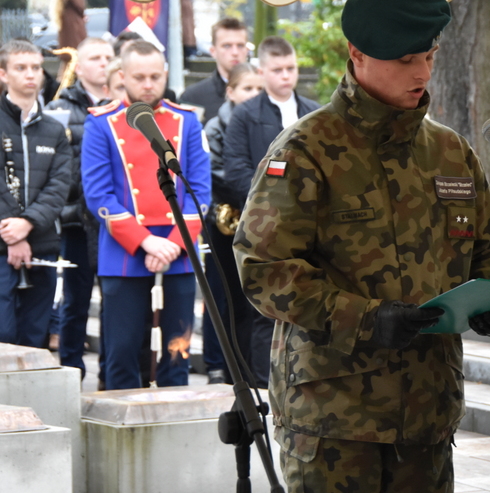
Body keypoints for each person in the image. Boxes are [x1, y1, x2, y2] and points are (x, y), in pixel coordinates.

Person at [233, 0, 490, 493]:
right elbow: (264, 268)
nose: (422, 71)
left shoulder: (449, 152)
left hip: (425, 413)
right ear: (357, 57)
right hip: (336, 422)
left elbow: (489, 250)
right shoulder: (307, 151)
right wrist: (364, 319)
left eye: (429, 56)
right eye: (405, 59)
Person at [80, 40, 211, 390]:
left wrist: (172, 244)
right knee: (121, 351)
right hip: (125, 250)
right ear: (122, 76)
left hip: (179, 250)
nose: (149, 84)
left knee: (177, 351)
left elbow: (199, 191)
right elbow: (98, 196)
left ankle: (174, 424)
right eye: (139, 77)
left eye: (156, 76)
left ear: (165, 73)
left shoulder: (187, 122)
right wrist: (146, 242)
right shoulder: (101, 124)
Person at [223, 36, 320, 387]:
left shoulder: (314, 112)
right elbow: (235, 168)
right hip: (266, 229)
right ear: (261, 71)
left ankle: (304, 381)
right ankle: (263, 385)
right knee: (267, 311)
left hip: (312, 228)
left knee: (307, 304)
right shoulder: (246, 115)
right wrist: (275, 204)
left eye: (291, 68)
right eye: (277, 70)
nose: (285, 76)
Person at [45, 37, 115, 377]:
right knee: (76, 301)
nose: (103, 63)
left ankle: (109, 369)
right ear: (80, 66)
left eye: (108, 57)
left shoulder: (124, 105)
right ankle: (72, 368)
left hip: (115, 222)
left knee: (115, 301)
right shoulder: (62, 107)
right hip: (75, 220)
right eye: (95, 57)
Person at [0, 40, 72, 348]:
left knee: (35, 338)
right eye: (21, 68)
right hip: (2, 244)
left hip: (41, 243)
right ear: (3, 74)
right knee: (3, 333)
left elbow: (59, 185)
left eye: (36, 67)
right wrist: (13, 233)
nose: (31, 74)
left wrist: (27, 224)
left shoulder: (55, 130)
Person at [201, 63, 262, 383]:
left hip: (253, 217)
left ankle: (250, 368)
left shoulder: (261, 121)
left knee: (251, 301)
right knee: (226, 297)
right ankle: (224, 366)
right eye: (247, 89)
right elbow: (216, 171)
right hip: (225, 219)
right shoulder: (215, 126)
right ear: (231, 92)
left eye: (258, 90)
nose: (254, 95)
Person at [179, 17, 249, 123]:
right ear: (213, 51)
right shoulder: (193, 97)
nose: (235, 52)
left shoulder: (264, 94)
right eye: (227, 46)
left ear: (247, 50)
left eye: (240, 45)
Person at [50, 0, 87, 79]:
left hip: (67, 30)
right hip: (75, 29)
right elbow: (80, 5)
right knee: (77, 58)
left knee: (67, 62)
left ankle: (60, 85)